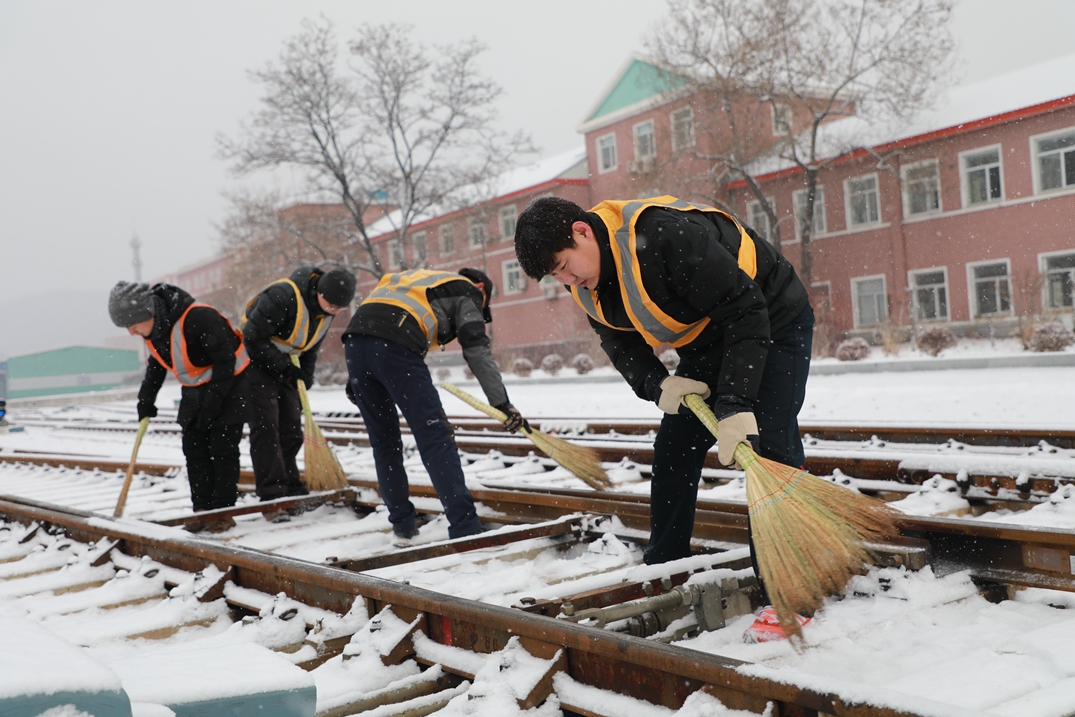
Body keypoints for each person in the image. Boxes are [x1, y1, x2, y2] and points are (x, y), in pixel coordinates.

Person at [514, 196, 814, 640]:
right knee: (674, 449)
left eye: (564, 265)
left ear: (581, 231)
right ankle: (664, 567)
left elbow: (745, 308)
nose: (566, 279)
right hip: (709, 338)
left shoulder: (662, 236)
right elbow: (619, 343)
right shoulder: (586, 283)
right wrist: (658, 385)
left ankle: (791, 596)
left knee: (770, 449)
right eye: (555, 275)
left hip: (772, 317)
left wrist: (735, 403)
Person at [341, 267, 527, 543]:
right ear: (481, 287)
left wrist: (360, 375)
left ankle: (403, 525)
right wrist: (501, 403)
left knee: (384, 442)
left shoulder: (420, 279)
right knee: (435, 436)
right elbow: (476, 349)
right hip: (395, 343)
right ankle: (465, 527)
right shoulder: (469, 290)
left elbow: (374, 321)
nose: (480, 309)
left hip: (355, 343)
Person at [108, 281, 250, 531]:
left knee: (222, 449)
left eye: (132, 325)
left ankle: (222, 512)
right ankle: (202, 510)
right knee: (194, 450)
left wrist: (212, 405)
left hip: (229, 386)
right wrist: (146, 400)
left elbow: (226, 361)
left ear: (146, 314)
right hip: (194, 391)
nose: (131, 332)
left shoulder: (199, 318)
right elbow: (157, 366)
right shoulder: (155, 331)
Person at [241, 266, 357, 513]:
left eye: (339, 308)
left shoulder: (327, 309)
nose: (334, 311)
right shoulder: (282, 297)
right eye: (332, 305)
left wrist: (306, 373)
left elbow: (311, 345)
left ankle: (291, 487)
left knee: (291, 427)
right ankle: (272, 496)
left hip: (285, 365)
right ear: (319, 292)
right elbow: (252, 336)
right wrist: (285, 368)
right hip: (255, 364)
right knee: (266, 427)